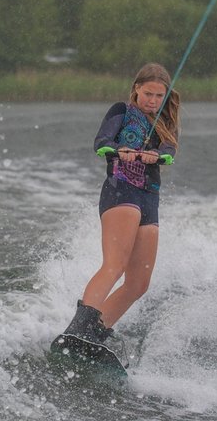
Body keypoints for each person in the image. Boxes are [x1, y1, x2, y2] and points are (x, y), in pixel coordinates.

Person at [55, 63, 181, 346]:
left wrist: (155, 155)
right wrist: (118, 150)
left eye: (160, 96)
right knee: (115, 265)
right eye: (148, 94)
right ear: (137, 88)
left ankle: (96, 334)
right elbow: (101, 142)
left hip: (150, 198)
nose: (153, 101)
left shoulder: (164, 123)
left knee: (139, 283)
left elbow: (169, 151)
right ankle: (77, 330)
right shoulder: (121, 111)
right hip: (121, 191)